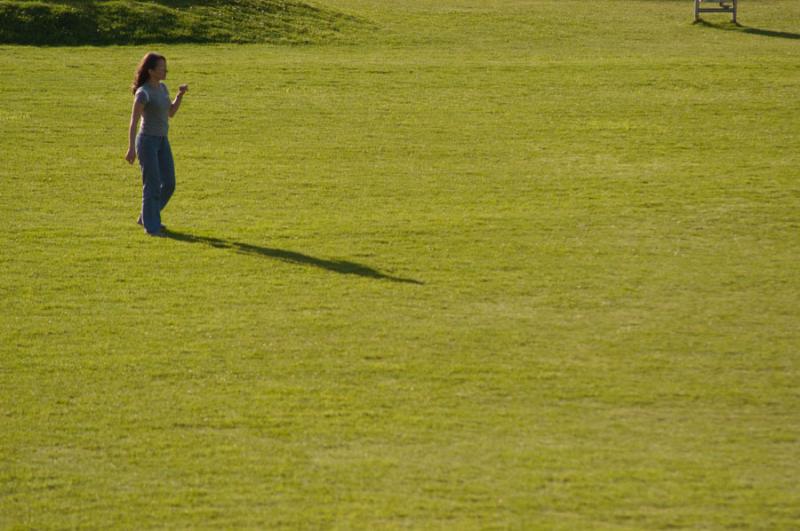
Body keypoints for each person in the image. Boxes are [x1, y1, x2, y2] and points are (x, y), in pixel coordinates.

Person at [125, 52, 188, 236]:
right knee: (152, 185)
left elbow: (170, 112)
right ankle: (152, 227)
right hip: (147, 142)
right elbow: (133, 122)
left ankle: (147, 216)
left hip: (162, 140)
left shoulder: (162, 88)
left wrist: (180, 95)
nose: (165, 70)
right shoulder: (143, 93)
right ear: (151, 71)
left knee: (169, 183)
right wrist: (131, 148)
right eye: (161, 68)